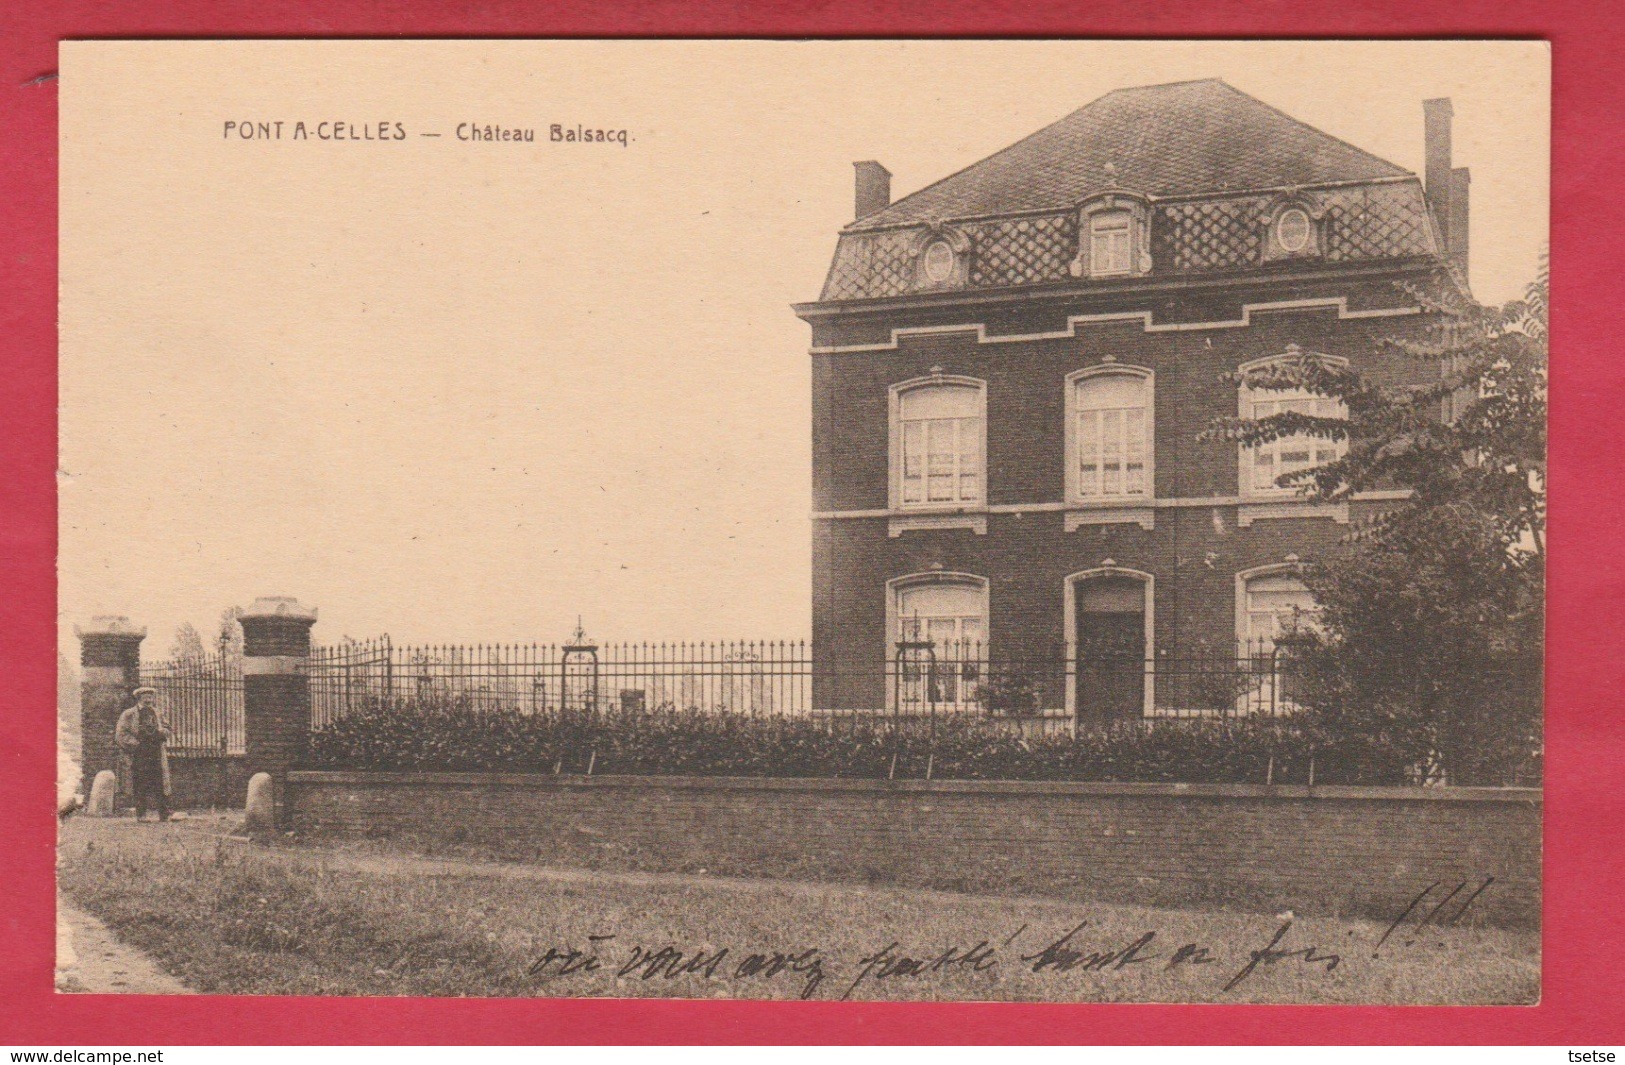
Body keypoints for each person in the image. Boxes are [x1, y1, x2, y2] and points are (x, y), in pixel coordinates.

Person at [114, 687, 172, 821]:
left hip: (156, 752)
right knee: (140, 784)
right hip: (139, 754)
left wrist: (163, 732)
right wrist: (135, 744)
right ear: (139, 698)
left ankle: (163, 814)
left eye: (150, 697)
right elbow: (121, 734)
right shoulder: (128, 714)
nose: (148, 700)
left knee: (160, 784)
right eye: (145, 697)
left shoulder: (158, 713)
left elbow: (167, 727)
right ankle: (141, 815)